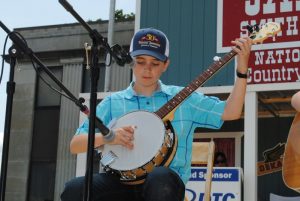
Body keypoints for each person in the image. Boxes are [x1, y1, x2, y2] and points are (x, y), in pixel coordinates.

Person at [61, 28, 252, 201]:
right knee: (74, 189)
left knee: (160, 178)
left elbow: (231, 112)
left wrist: (242, 70)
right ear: (131, 63)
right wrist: (108, 137)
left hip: (165, 184)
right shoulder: (113, 102)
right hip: (120, 181)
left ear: (166, 64)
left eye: (155, 63)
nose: (147, 69)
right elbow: (75, 145)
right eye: (140, 61)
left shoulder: (183, 97)